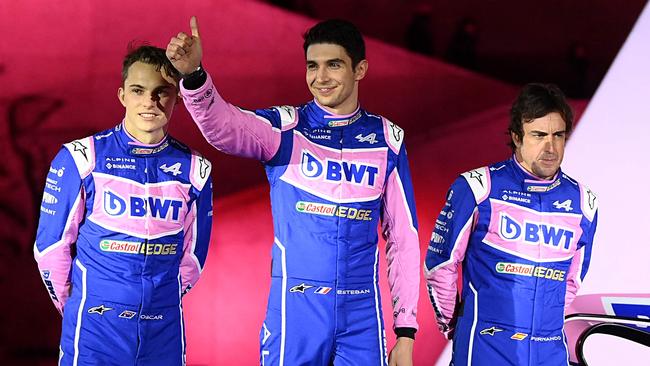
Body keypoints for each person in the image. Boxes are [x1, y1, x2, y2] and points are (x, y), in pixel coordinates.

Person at [167, 17, 420, 366]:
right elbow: (223, 127)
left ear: (360, 69)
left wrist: (405, 332)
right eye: (312, 66)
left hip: (362, 314)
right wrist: (194, 76)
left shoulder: (388, 139)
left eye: (334, 65)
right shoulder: (285, 129)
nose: (321, 77)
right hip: (296, 311)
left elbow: (403, 238)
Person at [34, 45, 213, 366]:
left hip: (163, 329)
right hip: (95, 329)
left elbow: (194, 258)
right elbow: (50, 248)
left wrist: (157, 302)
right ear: (122, 96)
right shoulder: (81, 157)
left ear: (179, 97)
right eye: (138, 90)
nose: (150, 101)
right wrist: (82, 306)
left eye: (162, 92)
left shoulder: (196, 169)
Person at [424, 83, 598, 365]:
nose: (550, 147)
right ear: (517, 137)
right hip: (485, 350)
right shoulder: (477, 187)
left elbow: (572, 280)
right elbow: (440, 265)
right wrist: (457, 327)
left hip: (549, 352)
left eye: (558, 135)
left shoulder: (584, 203)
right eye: (539, 135)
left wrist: (544, 326)